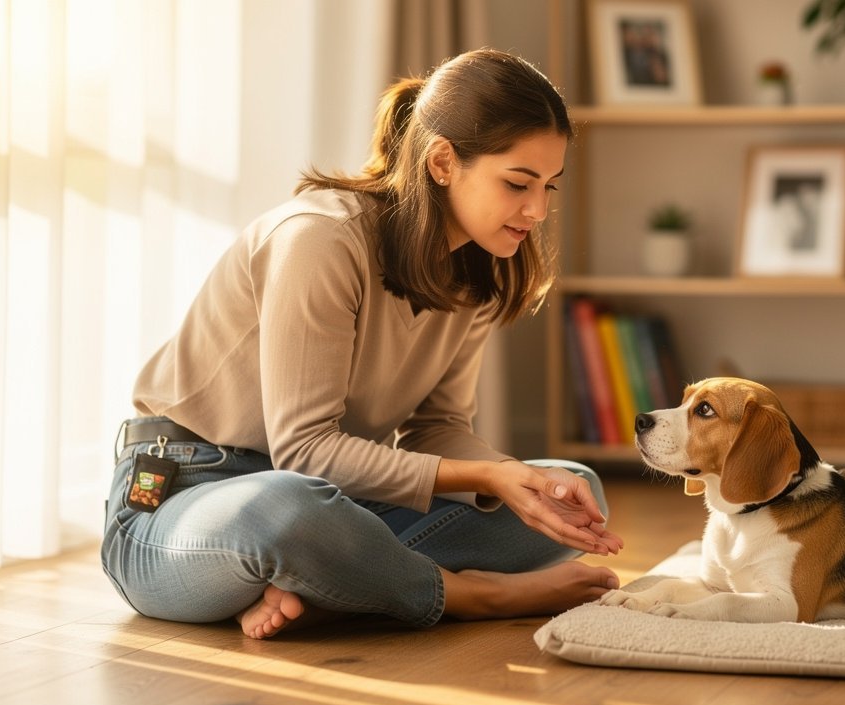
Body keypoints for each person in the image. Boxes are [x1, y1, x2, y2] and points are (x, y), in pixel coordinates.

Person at [100, 48, 624, 640]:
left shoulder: (481, 269)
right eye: (517, 183)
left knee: (571, 487)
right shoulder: (320, 239)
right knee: (286, 506)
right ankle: (464, 594)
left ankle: (332, 588)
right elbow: (303, 451)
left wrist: (517, 482)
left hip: (339, 506)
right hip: (180, 499)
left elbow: (438, 427)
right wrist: (490, 478)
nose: (538, 210)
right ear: (444, 161)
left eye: (549, 186)